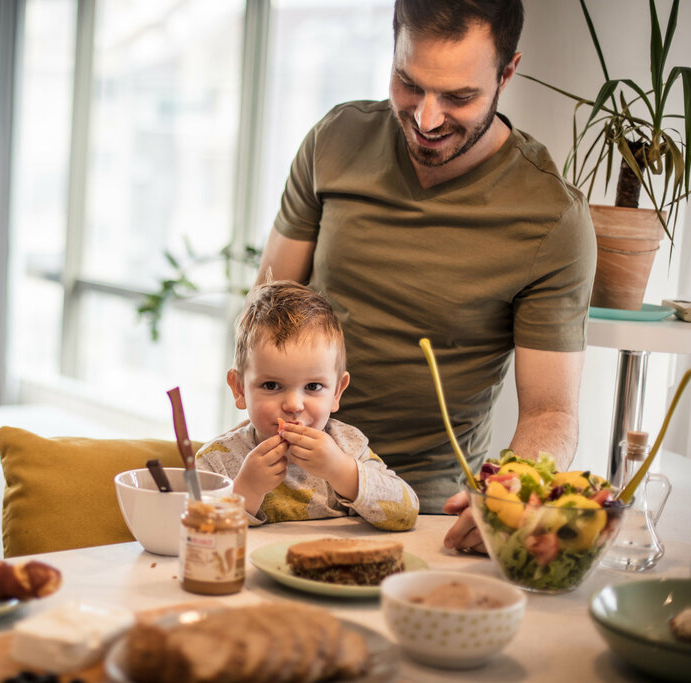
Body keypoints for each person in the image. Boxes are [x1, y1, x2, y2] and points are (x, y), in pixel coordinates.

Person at [255, 0, 596, 551]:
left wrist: (508, 495)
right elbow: (266, 307)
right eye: (408, 83)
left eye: (459, 97)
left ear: (507, 72)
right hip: (295, 488)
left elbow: (551, 411)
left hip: (432, 513)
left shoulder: (551, 217)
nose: (426, 118)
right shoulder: (334, 141)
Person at [197, 280, 419, 531]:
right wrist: (245, 490)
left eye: (313, 387)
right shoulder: (217, 462)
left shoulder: (349, 447)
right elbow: (197, 535)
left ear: (337, 392)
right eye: (271, 385)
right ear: (239, 389)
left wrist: (343, 472)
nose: (293, 405)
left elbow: (406, 513)